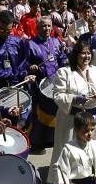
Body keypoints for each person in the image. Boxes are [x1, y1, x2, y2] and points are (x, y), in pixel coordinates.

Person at [47, 41, 96, 184]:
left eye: (88, 53)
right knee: (68, 148)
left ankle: (89, 177)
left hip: (92, 118)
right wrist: (73, 98)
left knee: (91, 148)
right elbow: (57, 94)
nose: (86, 56)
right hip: (71, 118)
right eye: (83, 53)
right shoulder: (64, 72)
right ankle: (63, 182)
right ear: (76, 55)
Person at [27, 16, 67, 148]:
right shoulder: (30, 44)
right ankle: (38, 141)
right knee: (41, 112)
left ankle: (53, 140)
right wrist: (31, 68)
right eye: (44, 26)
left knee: (55, 112)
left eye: (49, 26)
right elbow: (25, 63)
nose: (47, 28)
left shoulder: (57, 42)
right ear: (38, 27)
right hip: (39, 84)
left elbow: (62, 60)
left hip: (55, 83)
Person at [0, 9, 29, 87]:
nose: (5, 33)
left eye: (8, 31)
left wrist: (24, 75)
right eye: (2, 30)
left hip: (15, 83)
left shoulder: (18, 42)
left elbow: (22, 62)